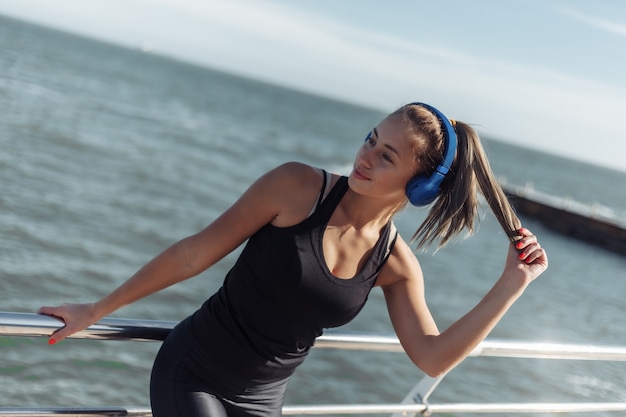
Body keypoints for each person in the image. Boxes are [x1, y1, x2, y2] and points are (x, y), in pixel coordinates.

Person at [38, 102, 548, 417]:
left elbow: (432, 356)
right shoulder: (297, 187)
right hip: (193, 371)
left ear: (419, 187)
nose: (365, 156)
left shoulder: (394, 264)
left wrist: (511, 283)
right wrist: (97, 309)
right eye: (372, 138)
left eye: (387, 155)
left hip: (262, 402)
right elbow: (194, 253)